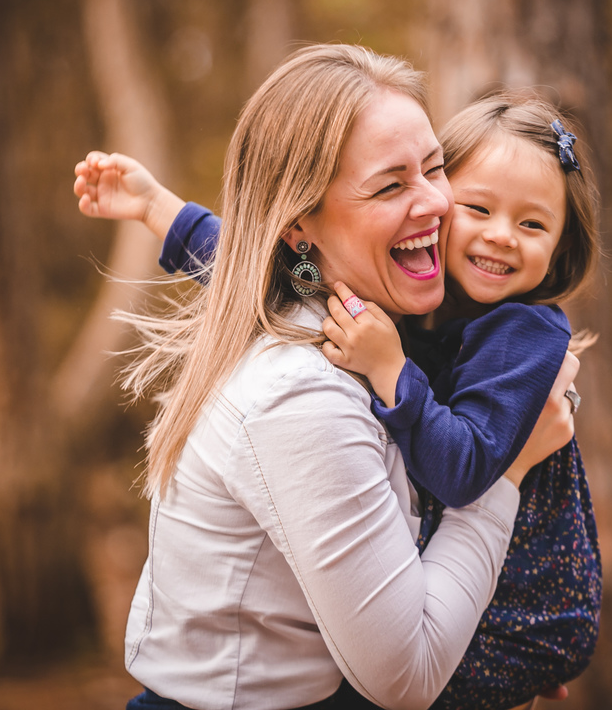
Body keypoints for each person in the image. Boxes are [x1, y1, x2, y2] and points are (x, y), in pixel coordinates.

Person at [80, 44, 579, 710]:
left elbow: (247, 260)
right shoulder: (305, 389)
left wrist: (510, 633)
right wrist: (513, 468)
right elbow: (407, 678)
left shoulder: (355, 300)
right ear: (300, 229)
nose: (437, 203)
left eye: (435, 168)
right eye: (390, 185)